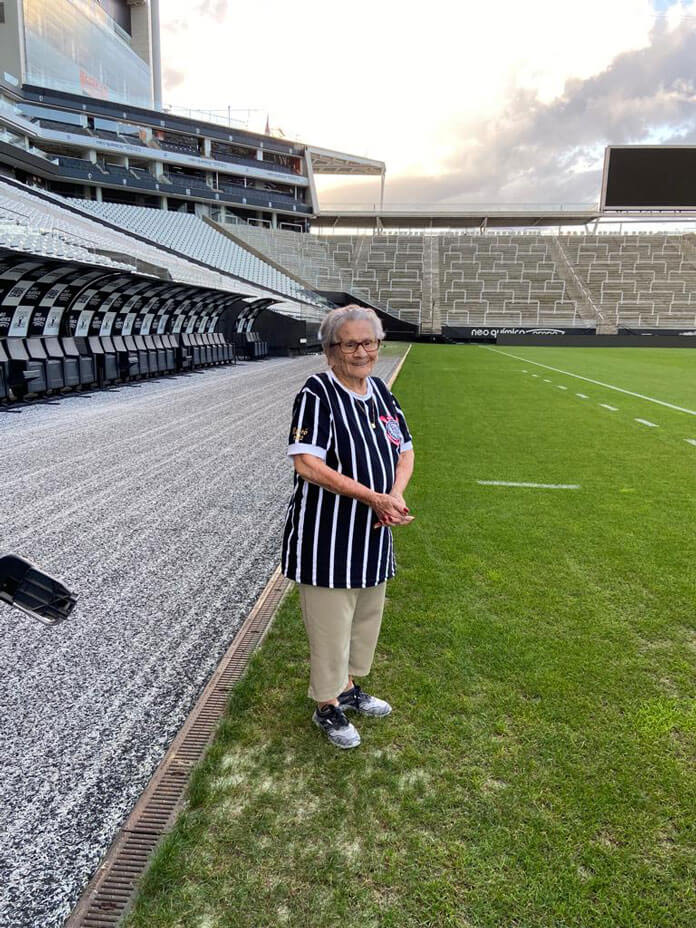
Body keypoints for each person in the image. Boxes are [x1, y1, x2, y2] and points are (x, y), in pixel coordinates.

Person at [282, 305, 415, 749]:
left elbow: (405, 449)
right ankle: (327, 706)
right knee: (330, 626)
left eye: (369, 342)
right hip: (328, 537)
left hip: (373, 535)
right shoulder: (317, 392)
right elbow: (307, 464)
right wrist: (370, 497)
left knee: (365, 619)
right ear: (330, 350)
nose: (362, 352)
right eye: (351, 343)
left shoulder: (379, 391)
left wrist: (393, 495)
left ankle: (348, 689)